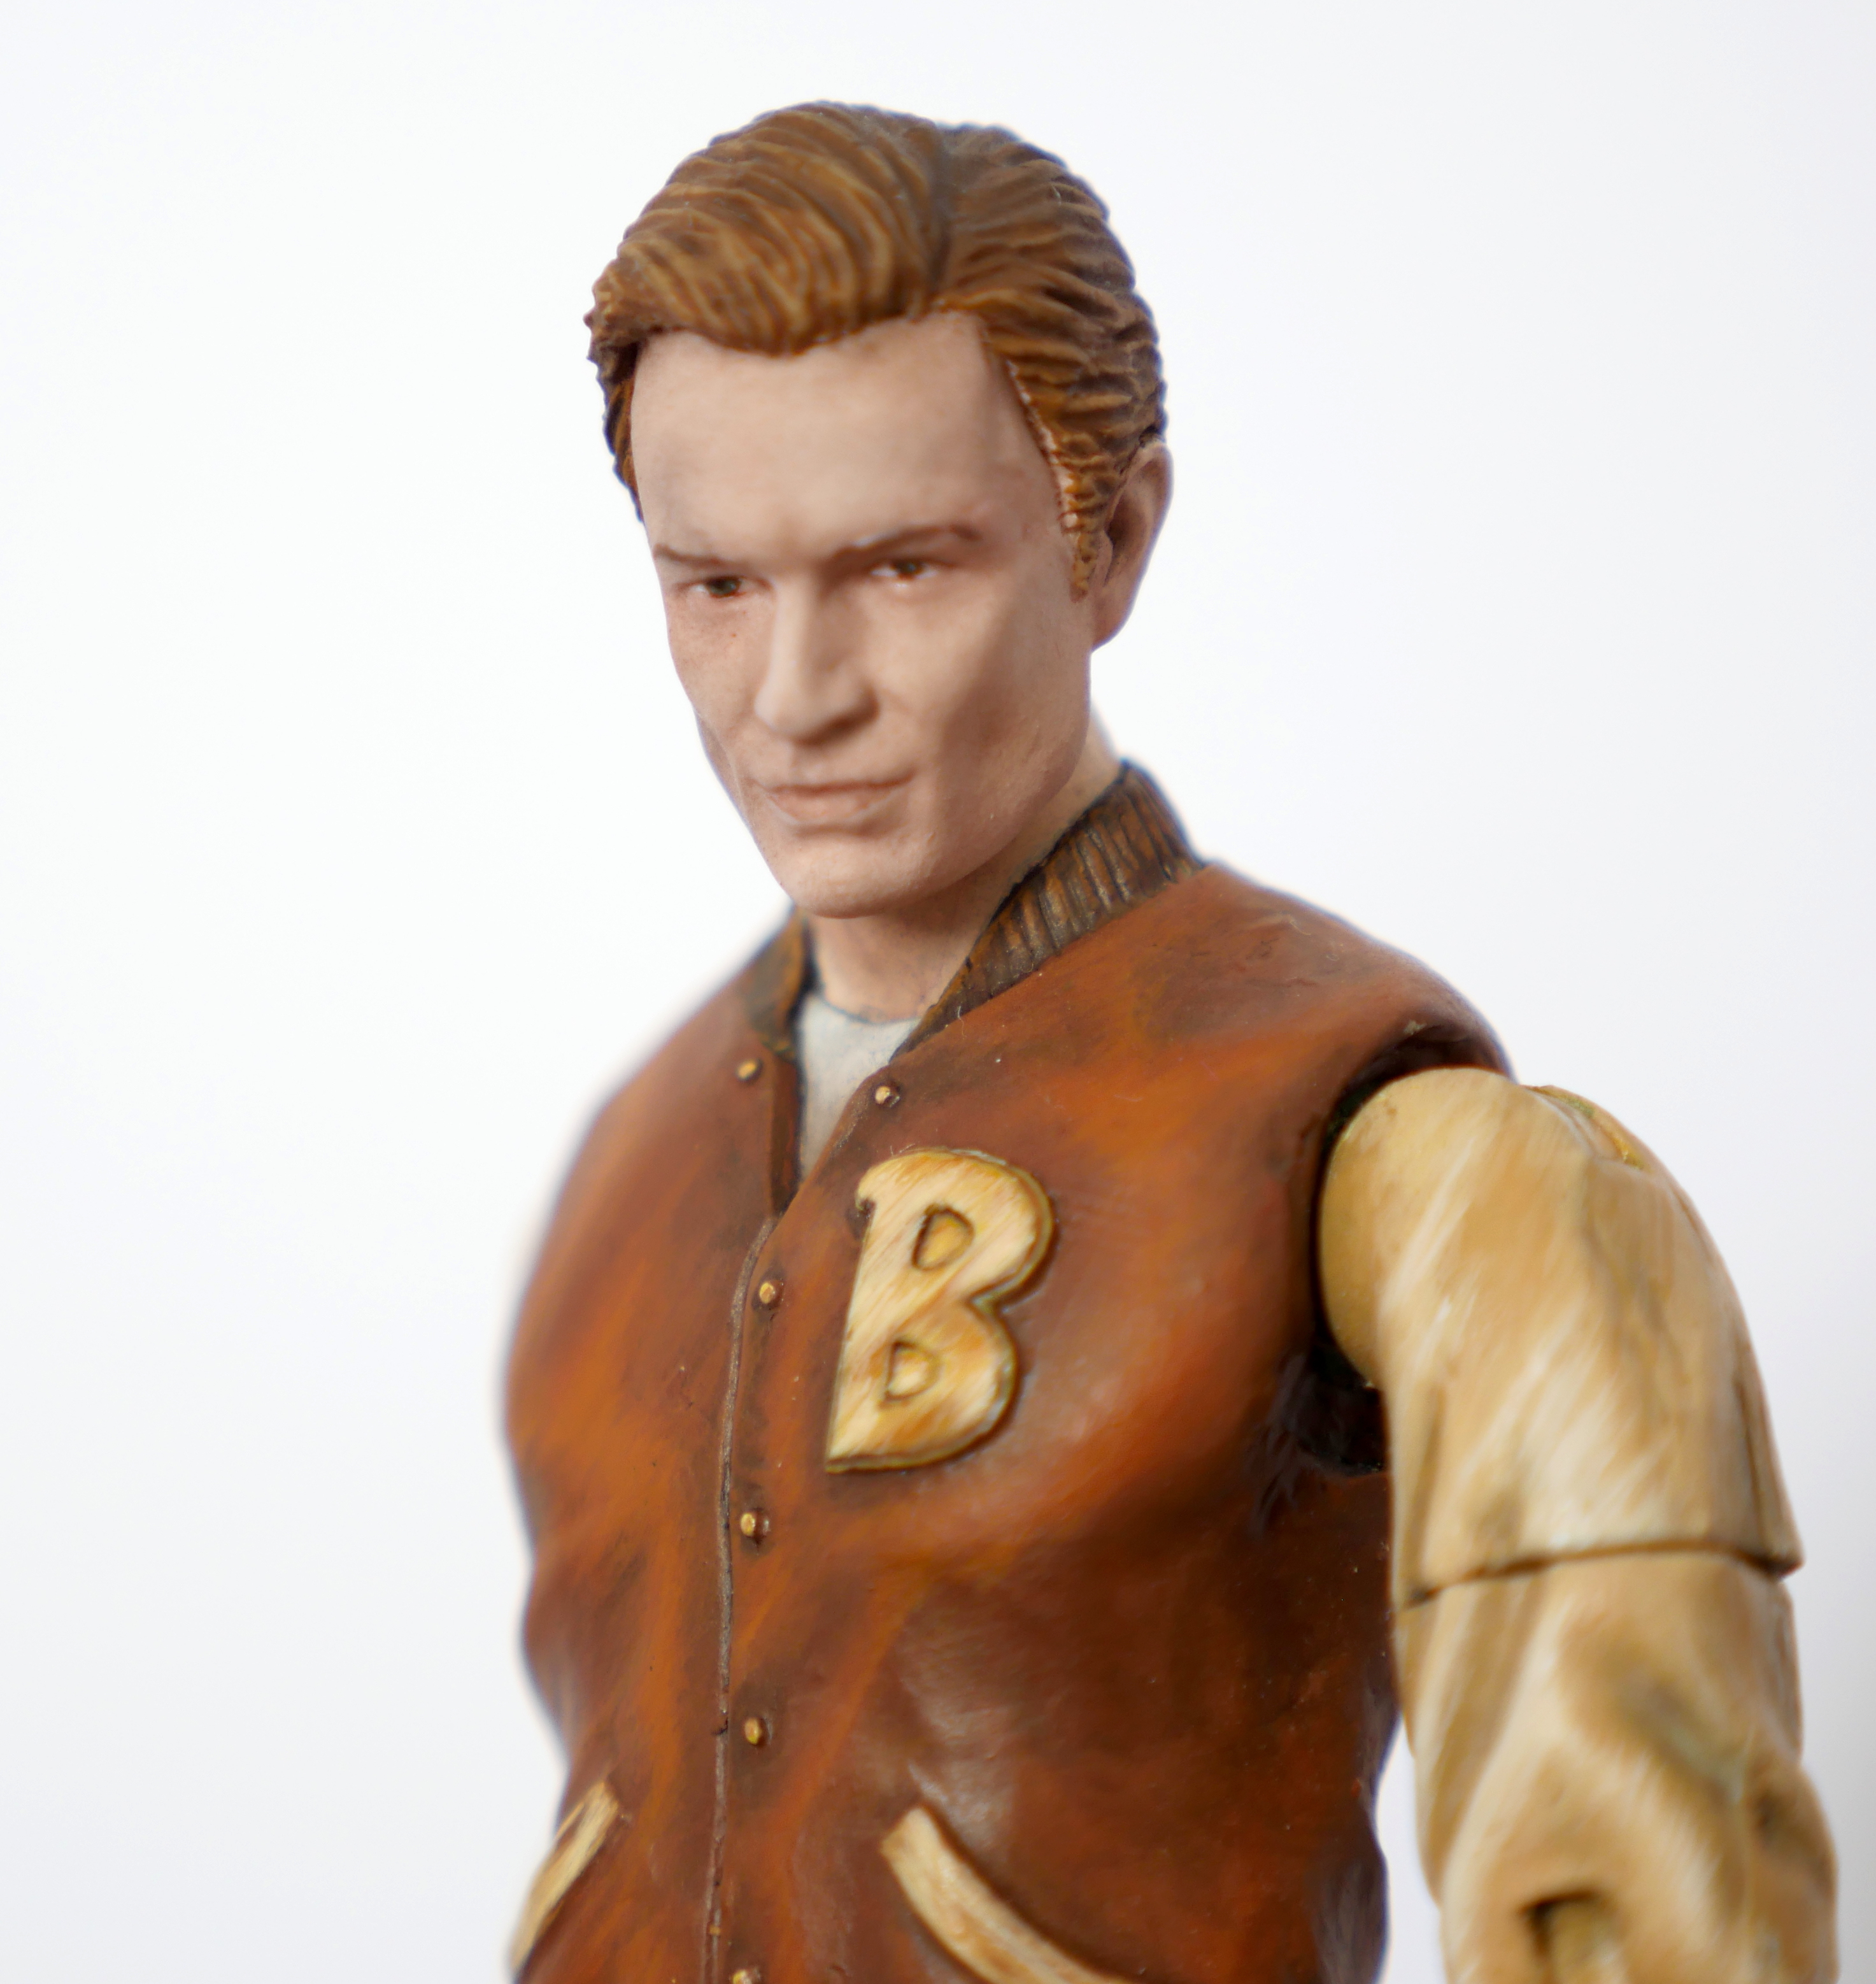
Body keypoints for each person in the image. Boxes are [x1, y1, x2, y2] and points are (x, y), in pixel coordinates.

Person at [502, 103, 1836, 1984]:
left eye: (903, 569)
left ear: (1110, 537)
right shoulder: (634, 1162)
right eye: (715, 584)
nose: (794, 698)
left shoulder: (1378, 1133)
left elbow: (1636, 1876)